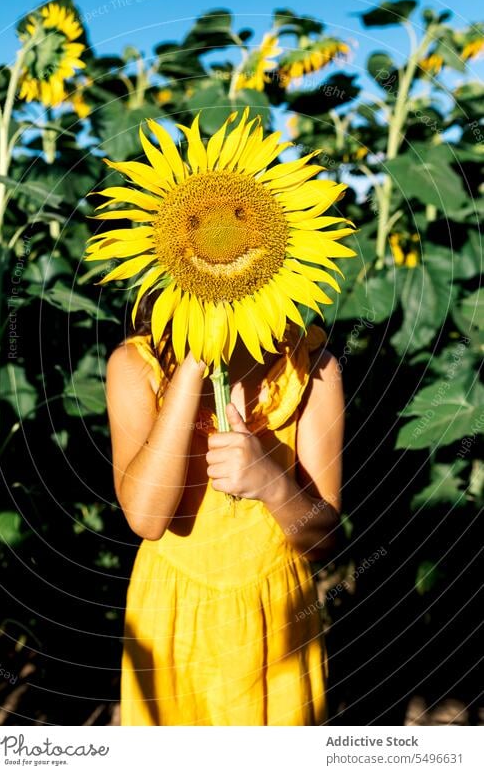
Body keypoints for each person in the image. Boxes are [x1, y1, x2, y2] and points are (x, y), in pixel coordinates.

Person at [106, 291, 345, 726]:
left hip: (276, 618)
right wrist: (196, 358)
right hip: (170, 616)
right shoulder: (134, 367)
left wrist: (272, 485)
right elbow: (146, 517)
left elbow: (325, 539)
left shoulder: (312, 371)